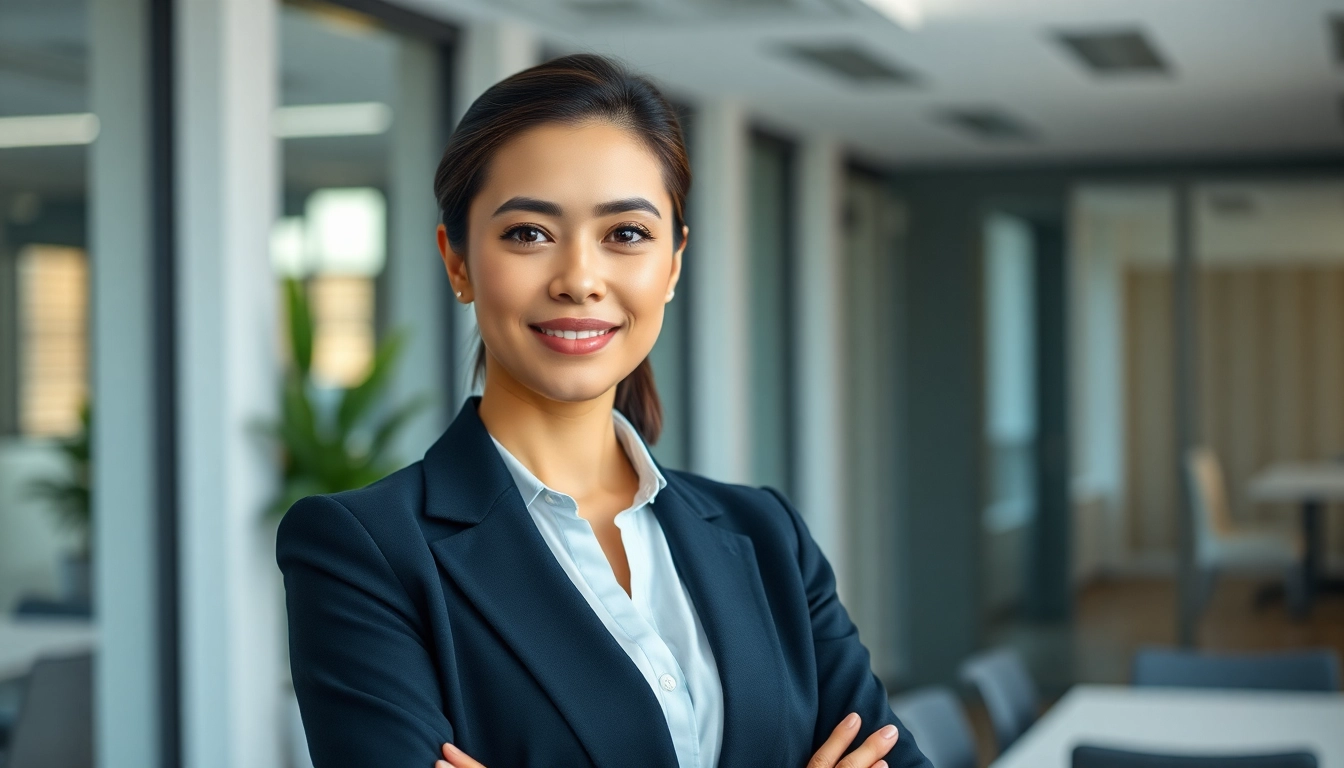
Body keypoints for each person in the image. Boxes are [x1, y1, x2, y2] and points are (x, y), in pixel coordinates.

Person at [276, 53, 930, 768]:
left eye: (625, 234)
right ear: (457, 261)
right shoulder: (364, 553)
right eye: (528, 233)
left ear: (673, 264)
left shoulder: (767, 536)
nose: (580, 280)